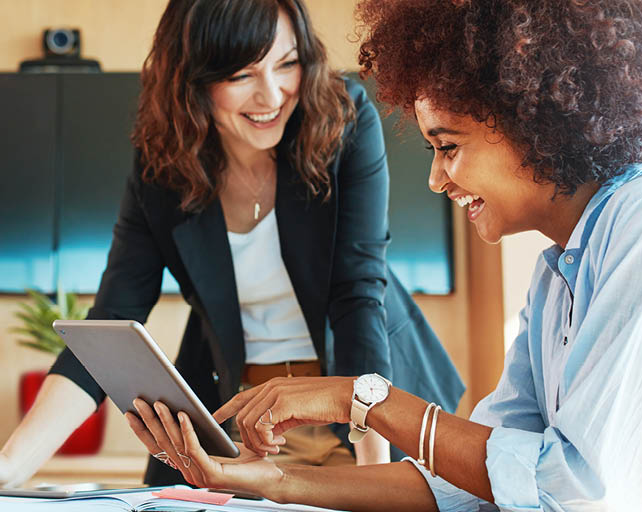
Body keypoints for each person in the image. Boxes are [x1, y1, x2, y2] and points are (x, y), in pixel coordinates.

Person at [124, 0, 642, 510]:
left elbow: (574, 494)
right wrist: (274, 481)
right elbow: (472, 485)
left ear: (537, 124)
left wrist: (363, 398)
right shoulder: (555, 277)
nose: (437, 179)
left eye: (448, 147)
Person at [0, 0, 465, 489]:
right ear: (192, 78)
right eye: (243, 74)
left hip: (360, 407)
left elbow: (357, 295)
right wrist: (9, 467)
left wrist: (375, 473)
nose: (272, 94)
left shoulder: (342, 120)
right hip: (242, 421)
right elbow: (111, 323)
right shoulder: (162, 164)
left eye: (287, 64)